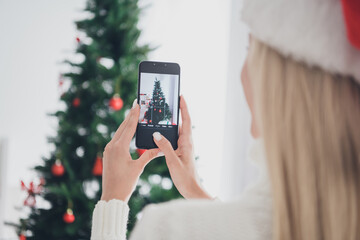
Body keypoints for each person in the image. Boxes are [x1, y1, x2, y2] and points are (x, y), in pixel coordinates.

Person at [91, 0, 360, 239]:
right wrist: (194, 189)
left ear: (275, 79)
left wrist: (112, 201)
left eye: (249, 49)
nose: (243, 71)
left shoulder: (170, 229)